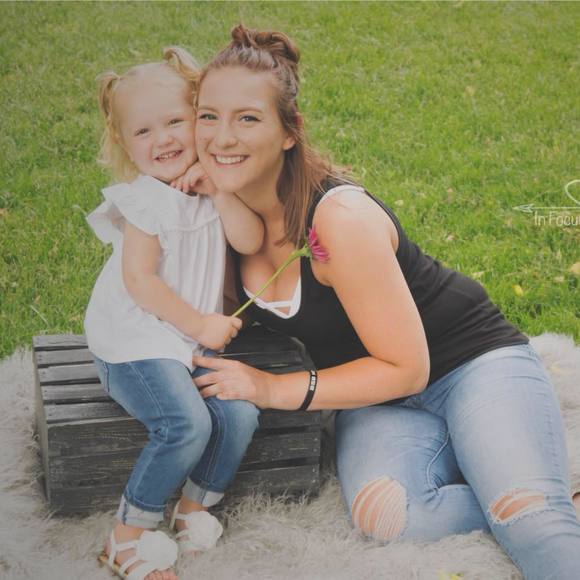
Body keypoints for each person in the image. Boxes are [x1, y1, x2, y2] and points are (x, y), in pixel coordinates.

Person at [189, 24, 580, 579]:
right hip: (375, 398)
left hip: (468, 363)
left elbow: (408, 368)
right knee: (392, 516)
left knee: (529, 520)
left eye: (247, 118)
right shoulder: (217, 220)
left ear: (289, 132)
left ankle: (540, 504)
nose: (222, 138)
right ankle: (528, 490)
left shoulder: (339, 219)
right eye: (208, 116)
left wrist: (273, 389)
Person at [84, 47, 264, 580]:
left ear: (198, 120)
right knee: (184, 423)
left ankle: (192, 507)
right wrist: (201, 325)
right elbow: (140, 282)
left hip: (184, 340)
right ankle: (127, 536)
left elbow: (249, 239)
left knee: (239, 412)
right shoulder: (145, 201)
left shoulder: (212, 186)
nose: (161, 139)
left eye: (173, 123)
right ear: (124, 143)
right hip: (134, 341)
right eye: (143, 131)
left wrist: (217, 189)